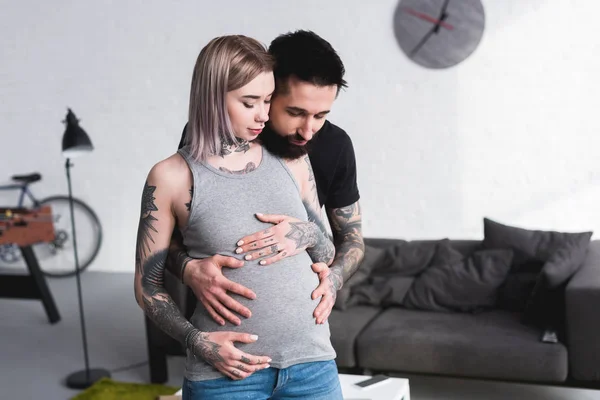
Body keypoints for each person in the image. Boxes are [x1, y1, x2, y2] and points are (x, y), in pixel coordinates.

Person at [134, 34, 343, 399]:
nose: (264, 114)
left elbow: (325, 253)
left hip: (312, 363)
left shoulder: (292, 158)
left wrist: (307, 233)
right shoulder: (171, 177)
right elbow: (147, 285)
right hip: (226, 371)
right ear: (212, 97)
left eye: (267, 100)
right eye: (250, 103)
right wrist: (197, 341)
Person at [168, 30, 365, 337]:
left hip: (303, 329)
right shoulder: (211, 136)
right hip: (224, 327)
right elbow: (167, 230)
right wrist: (188, 269)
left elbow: (352, 237)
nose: (309, 130)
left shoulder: (335, 146)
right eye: (295, 112)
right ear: (268, 90)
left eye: (321, 115)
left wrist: (333, 278)